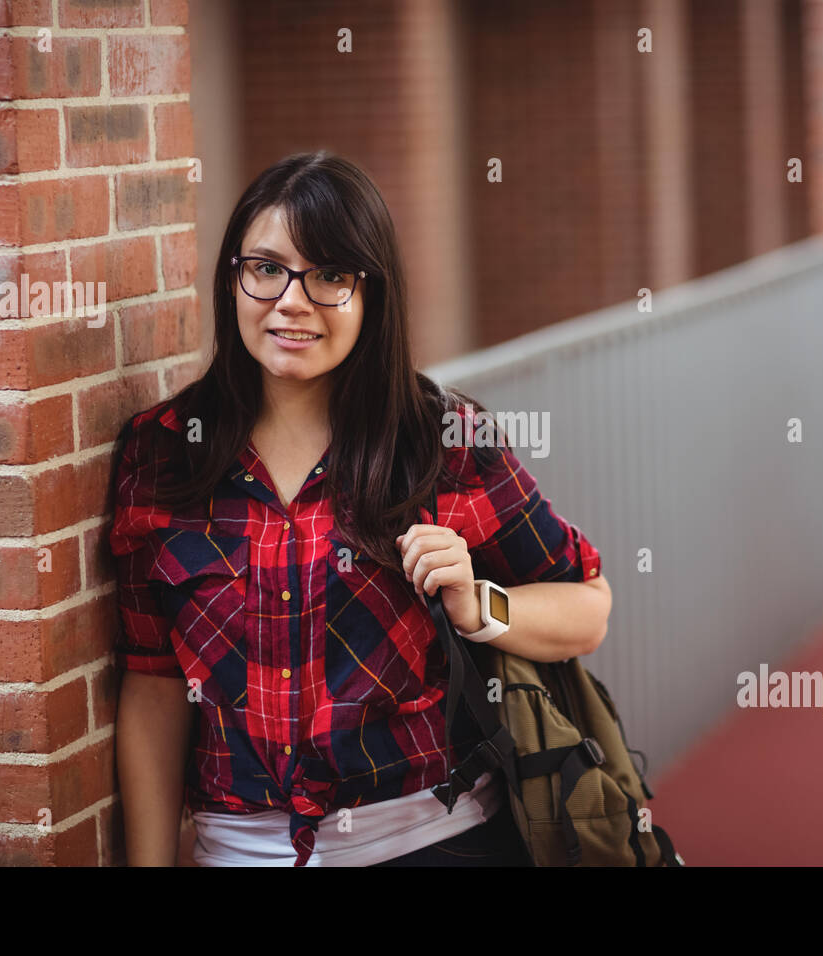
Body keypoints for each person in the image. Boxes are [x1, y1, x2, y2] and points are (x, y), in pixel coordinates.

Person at [109, 150, 612, 866]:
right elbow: (154, 683)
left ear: (372, 295)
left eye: (330, 276)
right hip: (239, 854)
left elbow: (588, 607)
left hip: (437, 842)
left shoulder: (442, 442)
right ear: (232, 279)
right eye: (266, 269)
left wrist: (479, 607)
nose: (292, 301)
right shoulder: (162, 456)